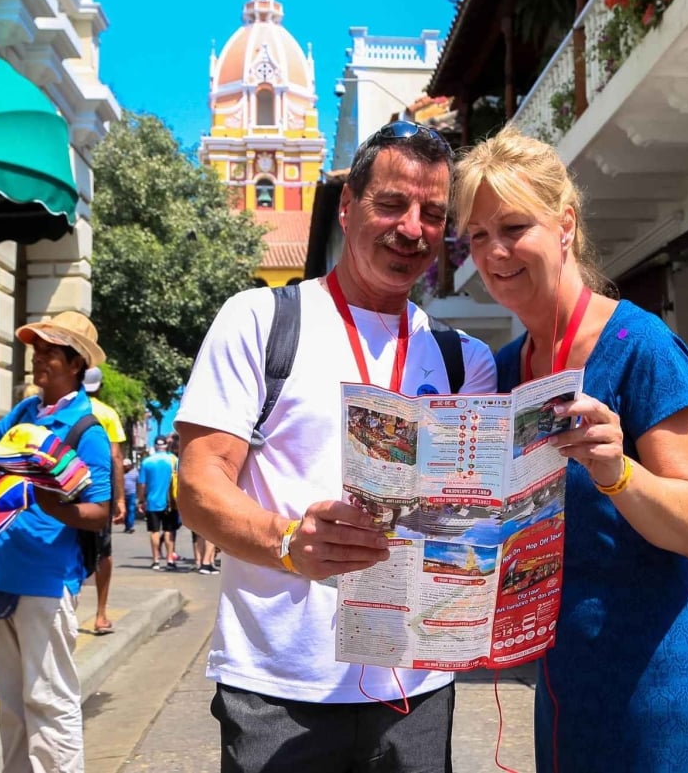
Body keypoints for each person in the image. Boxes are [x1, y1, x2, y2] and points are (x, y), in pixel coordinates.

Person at [175, 120, 496, 773]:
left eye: (433, 214)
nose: (412, 228)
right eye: (392, 204)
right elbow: (200, 485)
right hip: (279, 689)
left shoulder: (467, 360)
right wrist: (287, 541)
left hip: (416, 688)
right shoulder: (260, 320)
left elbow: (472, 515)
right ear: (347, 206)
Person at [453, 129, 688, 773]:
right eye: (477, 236)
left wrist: (618, 472)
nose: (494, 252)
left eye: (514, 227)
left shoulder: (642, 345)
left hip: (669, 685)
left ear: (565, 224)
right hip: (566, 684)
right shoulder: (502, 371)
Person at [0, 311, 112, 773]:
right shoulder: (27, 412)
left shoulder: (86, 430)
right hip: (1, 572)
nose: (38, 359)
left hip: (46, 580)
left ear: (76, 363)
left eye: (50, 352)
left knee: (49, 701)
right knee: (11, 704)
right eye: (36, 350)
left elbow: (99, 512)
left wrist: (52, 506)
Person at [83, 366, 127, 635]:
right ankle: (100, 615)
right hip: (99, 491)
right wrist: (120, 498)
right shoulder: (107, 413)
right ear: (99, 386)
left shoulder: (69, 409)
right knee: (103, 552)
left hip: (67, 487)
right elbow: (115, 457)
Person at [138, 437, 178, 570]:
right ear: (166, 446)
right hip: (170, 502)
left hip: (152, 502)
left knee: (154, 531)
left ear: (155, 446)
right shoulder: (173, 460)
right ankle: (169, 559)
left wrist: (141, 500)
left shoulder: (147, 462)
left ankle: (156, 560)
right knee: (169, 531)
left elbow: (142, 484)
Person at [122, 457, 139, 532]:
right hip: (123, 495)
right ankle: (127, 526)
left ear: (130, 465)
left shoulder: (135, 473)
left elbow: (138, 483)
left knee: (131, 509)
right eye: (124, 466)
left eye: (126, 466)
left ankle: (130, 526)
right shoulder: (122, 472)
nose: (124, 467)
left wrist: (139, 494)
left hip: (132, 494)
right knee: (125, 511)